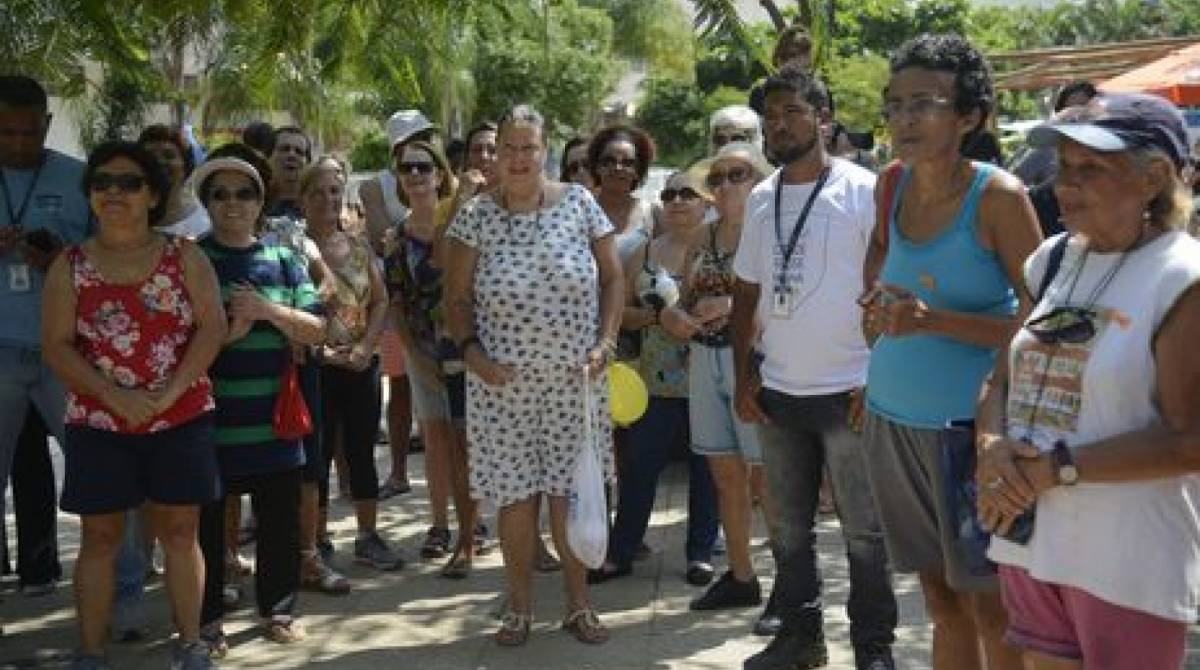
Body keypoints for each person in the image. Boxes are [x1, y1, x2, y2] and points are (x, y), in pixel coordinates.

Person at [974, 93, 1200, 670]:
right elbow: (999, 381)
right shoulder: (1051, 260)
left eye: (1089, 169)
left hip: (1124, 556)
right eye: (1062, 169)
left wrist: (1056, 469)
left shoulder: (1183, 277)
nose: (1062, 186)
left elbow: (1189, 440)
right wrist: (991, 445)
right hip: (1032, 539)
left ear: (1153, 178)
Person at [860, 34, 1041, 670]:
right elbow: (879, 266)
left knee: (993, 610)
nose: (904, 117)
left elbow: (1045, 327)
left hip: (971, 434)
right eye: (896, 102)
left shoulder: (998, 197)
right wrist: (876, 311)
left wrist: (935, 320)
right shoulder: (891, 184)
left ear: (969, 117)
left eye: (924, 103)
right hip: (892, 423)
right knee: (939, 604)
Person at [731, 65, 898, 670]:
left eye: (791, 112)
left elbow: (888, 287)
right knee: (789, 531)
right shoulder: (759, 198)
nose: (778, 126)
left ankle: (873, 648)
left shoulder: (862, 189)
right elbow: (746, 293)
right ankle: (802, 641)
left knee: (864, 534)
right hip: (778, 391)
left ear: (823, 119)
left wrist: (879, 376)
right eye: (769, 117)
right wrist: (743, 376)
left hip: (850, 388)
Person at [42, 140, 226, 670]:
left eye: (128, 183)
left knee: (180, 532)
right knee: (100, 537)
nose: (113, 193)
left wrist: (166, 396)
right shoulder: (70, 265)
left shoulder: (184, 256)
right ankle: (91, 653)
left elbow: (211, 328)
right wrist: (116, 396)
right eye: (102, 183)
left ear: (151, 195)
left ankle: (190, 644)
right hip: (99, 421)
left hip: (182, 415)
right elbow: (56, 344)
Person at [444, 104, 623, 646]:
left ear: (544, 150)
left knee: (571, 496)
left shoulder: (581, 204)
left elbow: (614, 279)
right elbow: (455, 297)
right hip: (501, 385)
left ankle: (579, 605)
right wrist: (471, 353)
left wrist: (607, 340)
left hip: (575, 382)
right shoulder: (475, 215)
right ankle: (518, 608)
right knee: (516, 500)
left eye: (529, 147)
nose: (519, 158)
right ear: (495, 153)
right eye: (509, 148)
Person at [194, 149, 327, 654]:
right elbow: (180, 342)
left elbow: (318, 330)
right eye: (220, 194)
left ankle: (279, 609)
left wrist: (266, 310)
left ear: (261, 201)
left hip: (276, 422)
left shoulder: (285, 259)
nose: (233, 203)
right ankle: (206, 620)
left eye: (244, 193)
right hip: (207, 422)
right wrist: (231, 332)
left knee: (279, 525)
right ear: (207, 202)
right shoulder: (192, 259)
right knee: (207, 526)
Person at [659, 142, 781, 633]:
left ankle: (791, 589)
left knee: (766, 481)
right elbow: (685, 297)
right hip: (705, 363)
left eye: (739, 175)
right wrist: (674, 314)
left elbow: (786, 298)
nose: (727, 185)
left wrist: (731, 308)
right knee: (725, 475)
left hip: (753, 363)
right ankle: (741, 574)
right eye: (720, 177)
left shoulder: (771, 234)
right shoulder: (703, 237)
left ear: (759, 181)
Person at [588, 169, 719, 587]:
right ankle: (622, 551)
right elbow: (618, 312)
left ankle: (700, 553)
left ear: (707, 202)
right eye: (670, 193)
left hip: (709, 376)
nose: (678, 200)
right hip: (656, 381)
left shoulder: (720, 249)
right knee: (641, 466)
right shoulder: (643, 253)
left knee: (707, 471)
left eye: (688, 193)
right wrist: (657, 316)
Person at [0, 74, 91, 596]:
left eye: (28, 133)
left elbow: (105, 260)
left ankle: (123, 601)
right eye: (5, 133)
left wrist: (61, 258)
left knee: (100, 473)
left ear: (47, 125)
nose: (17, 143)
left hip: (64, 352)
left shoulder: (79, 179)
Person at [304, 156, 405, 571]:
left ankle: (367, 535)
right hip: (315, 366)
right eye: (319, 191)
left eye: (335, 191)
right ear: (303, 197)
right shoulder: (294, 248)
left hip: (362, 364)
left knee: (362, 450)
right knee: (319, 453)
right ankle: (319, 538)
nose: (329, 199)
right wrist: (323, 352)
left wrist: (367, 345)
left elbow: (380, 300)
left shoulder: (360, 247)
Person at [383, 139, 477, 576]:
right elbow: (397, 305)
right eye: (407, 168)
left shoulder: (464, 219)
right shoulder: (396, 237)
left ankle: (471, 528)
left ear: (441, 174)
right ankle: (440, 525)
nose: (416, 174)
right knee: (437, 441)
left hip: (466, 349)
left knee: (467, 442)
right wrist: (417, 360)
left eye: (424, 166)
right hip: (423, 350)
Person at [360, 110, 442, 499]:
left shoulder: (440, 173)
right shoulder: (374, 186)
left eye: (426, 134)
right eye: (413, 137)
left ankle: (441, 478)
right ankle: (396, 472)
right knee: (401, 382)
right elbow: (380, 237)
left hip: (437, 301)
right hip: (396, 295)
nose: (422, 141)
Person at [587, 125, 659, 266]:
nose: (617, 168)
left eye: (628, 163)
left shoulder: (654, 215)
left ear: (638, 171)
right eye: (609, 161)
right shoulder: (580, 209)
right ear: (597, 167)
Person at [138, 124, 209, 238]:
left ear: (186, 166)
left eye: (168, 155)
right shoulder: (125, 220)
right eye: (150, 157)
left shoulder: (205, 225)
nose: (159, 162)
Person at [749, 26, 814, 115]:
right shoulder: (761, 91)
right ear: (778, 58)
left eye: (804, 53)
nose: (794, 62)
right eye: (789, 55)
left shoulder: (816, 90)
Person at [266, 126, 312, 219]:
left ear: (307, 162)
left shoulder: (317, 205)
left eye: (299, 152)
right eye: (284, 149)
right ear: (268, 157)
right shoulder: (252, 201)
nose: (292, 155)